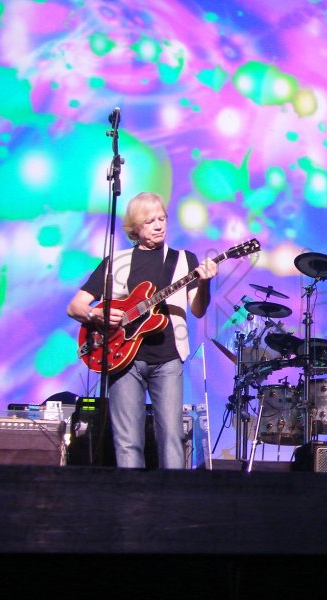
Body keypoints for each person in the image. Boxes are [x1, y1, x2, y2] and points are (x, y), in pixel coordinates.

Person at [67, 192, 218, 469]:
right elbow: (75, 306)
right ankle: (131, 494)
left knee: (172, 438)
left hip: (168, 357)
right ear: (136, 228)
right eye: (150, 221)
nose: (159, 226)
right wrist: (96, 313)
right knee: (127, 441)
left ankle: (172, 494)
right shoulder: (117, 261)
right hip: (122, 358)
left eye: (162, 219)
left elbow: (198, 310)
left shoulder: (184, 260)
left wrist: (205, 283)